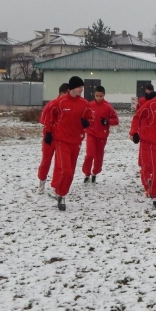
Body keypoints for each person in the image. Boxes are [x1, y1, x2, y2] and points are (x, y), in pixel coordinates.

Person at [43, 76, 94, 211]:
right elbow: (49, 117)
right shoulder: (59, 103)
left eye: (82, 88)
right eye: (79, 88)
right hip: (61, 140)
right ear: (72, 88)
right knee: (65, 170)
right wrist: (48, 132)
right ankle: (59, 192)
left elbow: (90, 117)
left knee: (70, 172)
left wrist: (87, 122)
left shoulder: (84, 103)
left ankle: (61, 195)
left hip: (76, 141)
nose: (81, 90)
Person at [81, 86, 119, 184]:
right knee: (89, 154)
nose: (98, 98)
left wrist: (108, 122)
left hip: (102, 135)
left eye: (100, 96)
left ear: (104, 95)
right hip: (91, 133)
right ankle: (87, 173)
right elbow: (83, 117)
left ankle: (95, 172)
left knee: (99, 156)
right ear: (94, 95)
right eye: (97, 96)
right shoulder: (89, 105)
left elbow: (116, 120)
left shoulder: (108, 106)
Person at [37, 82, 69, 194]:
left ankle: (55, 185)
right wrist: (50, 130)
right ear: (62, 93)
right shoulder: (52, 104)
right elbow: (42, 119)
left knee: (60, 163)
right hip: (49, 138)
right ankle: (42, 181)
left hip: (62, 138)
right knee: (46, 160)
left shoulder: (67, 107)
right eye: (67, 94)